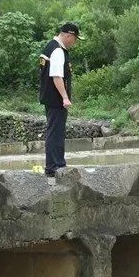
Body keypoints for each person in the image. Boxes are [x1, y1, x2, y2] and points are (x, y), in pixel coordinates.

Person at [38, 21, 81, 177]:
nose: (74, 43)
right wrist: (65, 97)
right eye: (75, 39)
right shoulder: (57, 50)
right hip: (56, 99)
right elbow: (56, 76)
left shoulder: (50, 46)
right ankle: (55, 166)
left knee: (54, 131)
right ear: (68, 36)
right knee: (56, 132)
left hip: (50, 97)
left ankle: (54, 165)